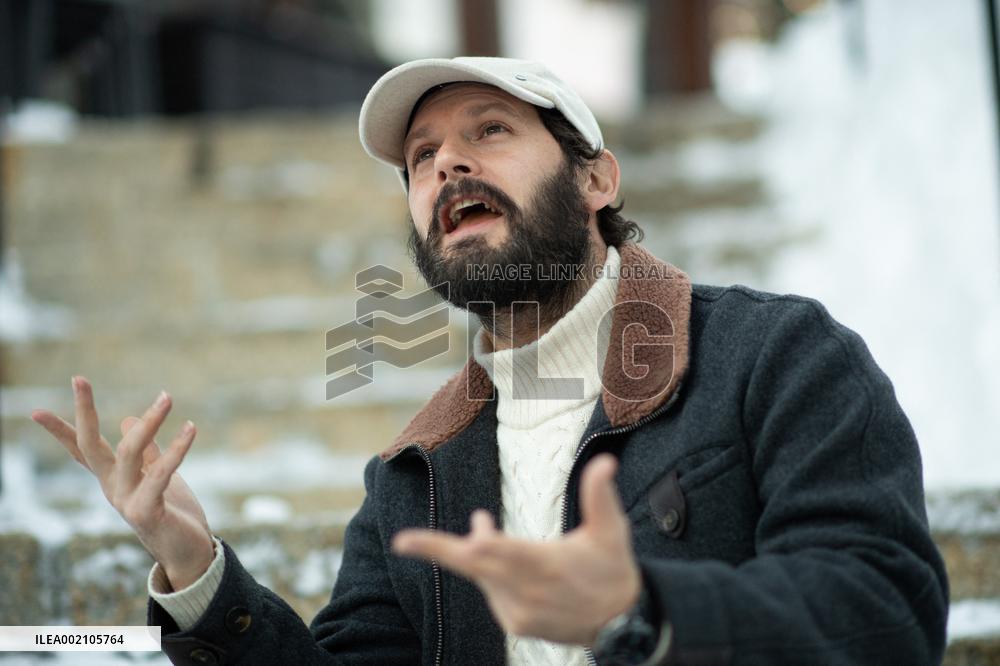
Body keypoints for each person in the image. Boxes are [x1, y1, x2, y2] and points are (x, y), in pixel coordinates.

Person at [32, 57, 949, 665]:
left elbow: (885, 608)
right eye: (422, 159)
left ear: (596, 180)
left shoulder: (777, 356)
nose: (447, 168)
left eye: (491, 132)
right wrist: (199, 574)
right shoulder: (412, 476)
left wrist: (644, 606)